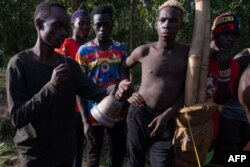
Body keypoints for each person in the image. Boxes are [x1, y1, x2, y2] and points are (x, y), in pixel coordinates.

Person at [5, 1, 130, 167]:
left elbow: (94, 92)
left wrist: (117, 89)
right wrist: (52, 87)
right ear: (39, 23)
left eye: (65, 27)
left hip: (65, 153)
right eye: (57, 26)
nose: (63, 32)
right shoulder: (19, 64)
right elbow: (17, 118)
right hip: (35, 156)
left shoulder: (69, 64)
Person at [120, 1, 189, 166]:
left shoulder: (188, 54)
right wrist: (127, 90)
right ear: (156, 24)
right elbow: (123, 67)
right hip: (139, 113)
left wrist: (169, 114)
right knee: (134, 162)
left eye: (173, 20)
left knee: (162, 163)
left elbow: (188, 89)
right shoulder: (144, 51)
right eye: (163, 20)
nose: (167, 24)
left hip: (166, 118)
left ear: (180, 25)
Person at [75, 4, 128, 167]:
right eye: (98, 25)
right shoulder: (84, 51)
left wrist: (125, 102)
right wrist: (85, 121)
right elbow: (79, 88)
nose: (102, 28)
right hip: (93, 113)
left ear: (112, 23)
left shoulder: (120, 48)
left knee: (118, 151)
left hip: (117, 111)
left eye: (106, 24)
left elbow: (124, 78)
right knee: (93, 155)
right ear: (93, 25)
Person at [206, 12, 243, 166]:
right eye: (226, 33)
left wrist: (224, 70)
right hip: (183, 120)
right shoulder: (194, 55)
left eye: (234, 35)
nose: (231, 38)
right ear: (215, 33)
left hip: (210, 124)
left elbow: (221, 100)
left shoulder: (232, 65)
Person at [55, 9, 91, 167]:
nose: (85, 26)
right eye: (81, 23)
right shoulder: (66, 45)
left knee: (79, 148)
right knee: (67, 148)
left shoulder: (90, 48)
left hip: (85, 106)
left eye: (88, 24)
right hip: (69, 106)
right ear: (72, 25)